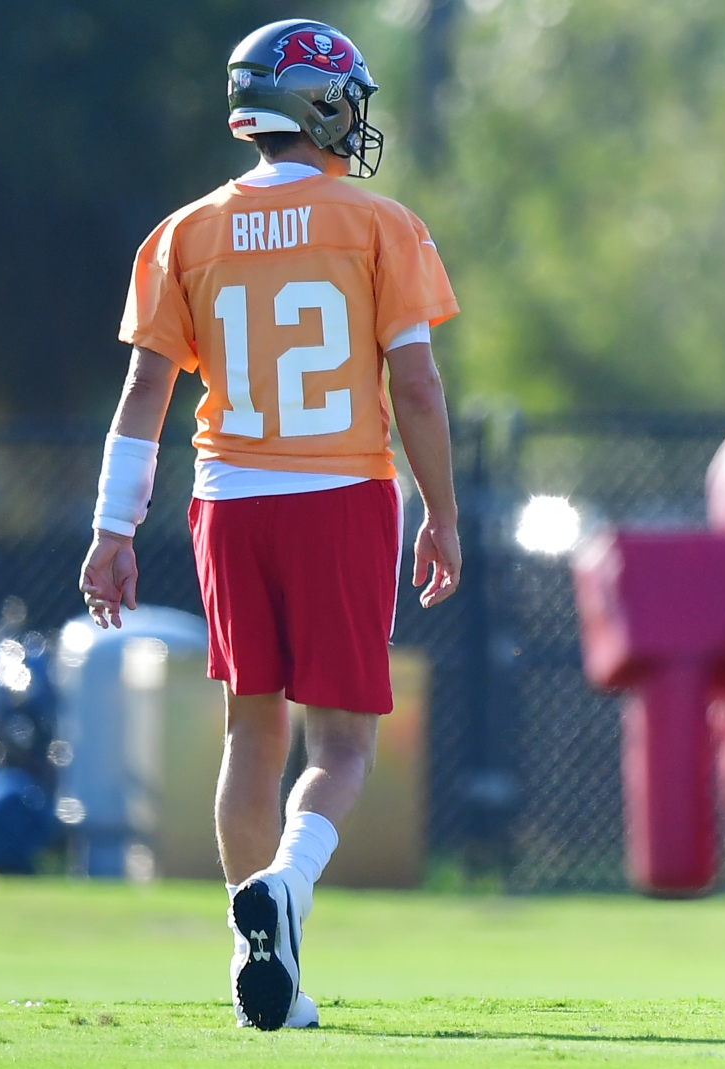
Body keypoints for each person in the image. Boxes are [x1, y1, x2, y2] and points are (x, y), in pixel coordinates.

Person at [77, 18, 461, 1031]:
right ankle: (286, 885)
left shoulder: (183, 233)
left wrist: (113, 528)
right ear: (322, 104)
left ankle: (265, 970)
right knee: (342, 746)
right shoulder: (381, 224)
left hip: (229, 502)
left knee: (255, 731)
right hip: (342, 496)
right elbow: (416, 390)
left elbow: (143, 396)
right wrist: (443, 513)